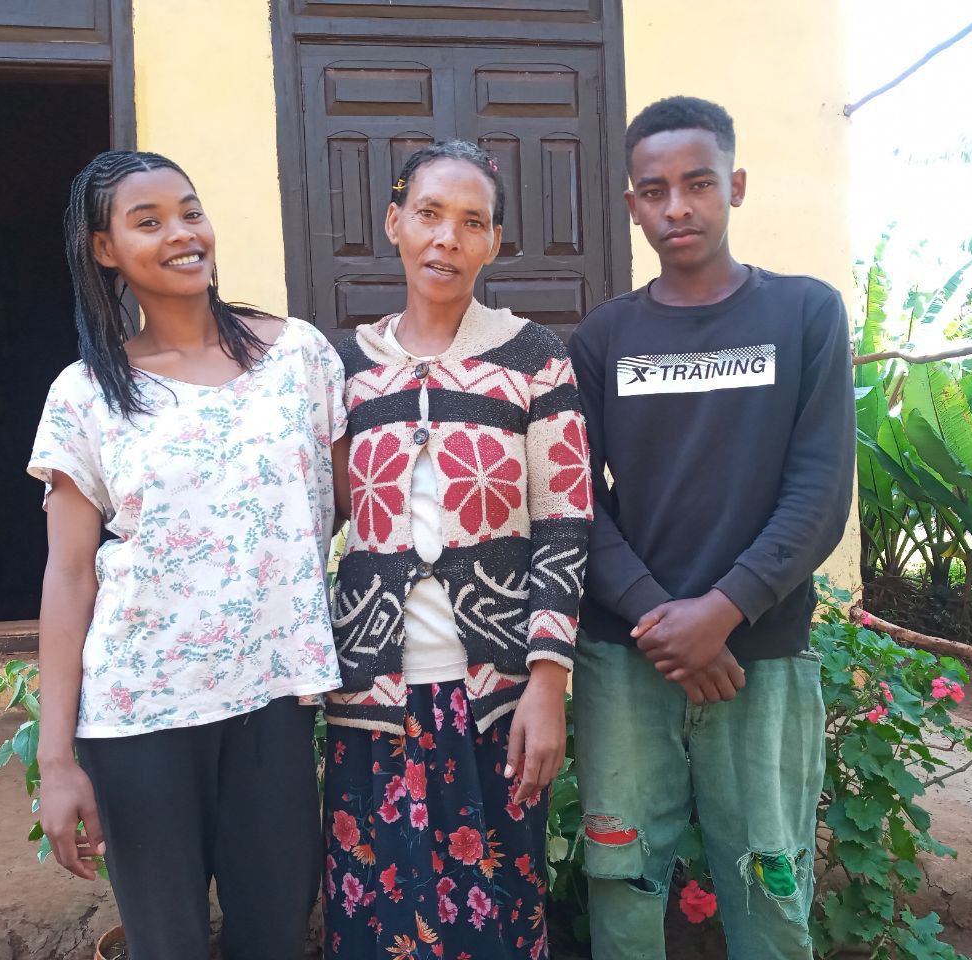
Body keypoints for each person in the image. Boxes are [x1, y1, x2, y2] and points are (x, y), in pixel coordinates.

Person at [28, 150, 346, 960]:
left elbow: (343, 504)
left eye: (190, 211)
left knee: (275, 936)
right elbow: (68, 576)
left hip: (273, 701)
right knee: (166, 945)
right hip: (140, 715)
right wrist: (57, 759)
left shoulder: (297, 358)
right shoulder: (86, 394)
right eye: (149, 221)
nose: (183, 234)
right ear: (105, 250)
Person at [567, 96, 855, 959]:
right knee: (620, 876)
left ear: (734, 185)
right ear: (632, 205)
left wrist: (722, 612)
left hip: (758, 657)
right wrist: (666, 621)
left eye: (697, 184)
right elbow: (579, 502)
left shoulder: (805, 315)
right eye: (653, 191)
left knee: (768, 878)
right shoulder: (604, 337)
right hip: (628, 658)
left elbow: (819, 492)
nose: (677, 208)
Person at [323, 139, 592, 960]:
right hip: (373, 697)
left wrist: (548, 680)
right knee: (377, 922)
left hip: (498, 695)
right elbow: (324, 515)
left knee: (496, 919)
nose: (447, 238)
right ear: (394, 223)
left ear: (494, 243)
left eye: (471, 222)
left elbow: (566, 520)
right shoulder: (346, 371)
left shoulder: (535, 357)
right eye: (430, 215)